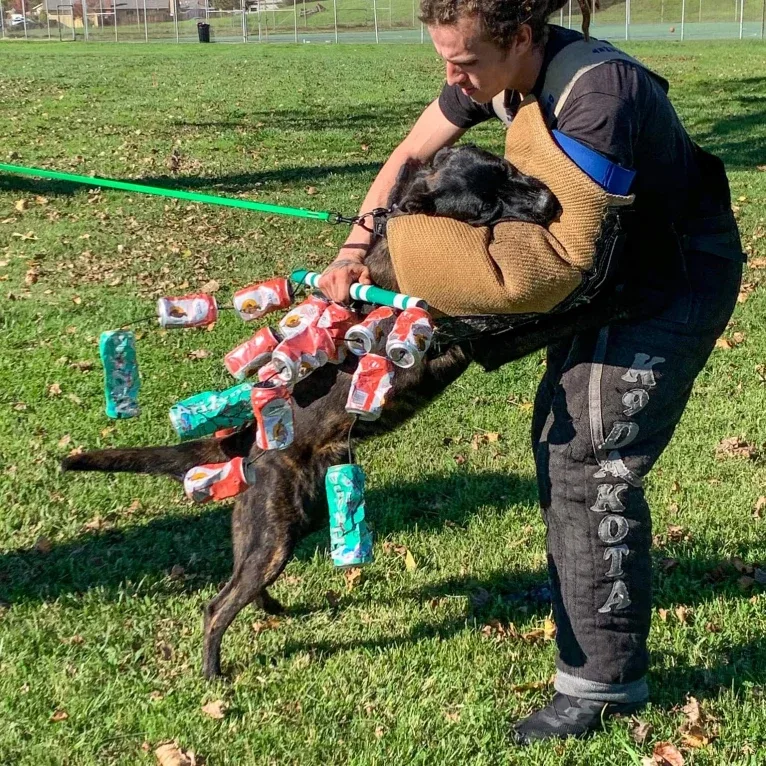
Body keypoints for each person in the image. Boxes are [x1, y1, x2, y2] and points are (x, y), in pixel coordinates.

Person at [318, 0, 744, 744]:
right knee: (561, 433)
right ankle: (582, 593)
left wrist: (416, 251)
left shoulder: (598, 94)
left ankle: (603, 685)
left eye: (466, 63)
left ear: (522, 37)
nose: (453, 78)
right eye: (445, 59)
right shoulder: (496, 70)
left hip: (670, 281)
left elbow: (542, 269)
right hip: (611, 281)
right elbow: (414, 156)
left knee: (590, 457)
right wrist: (358, 250)